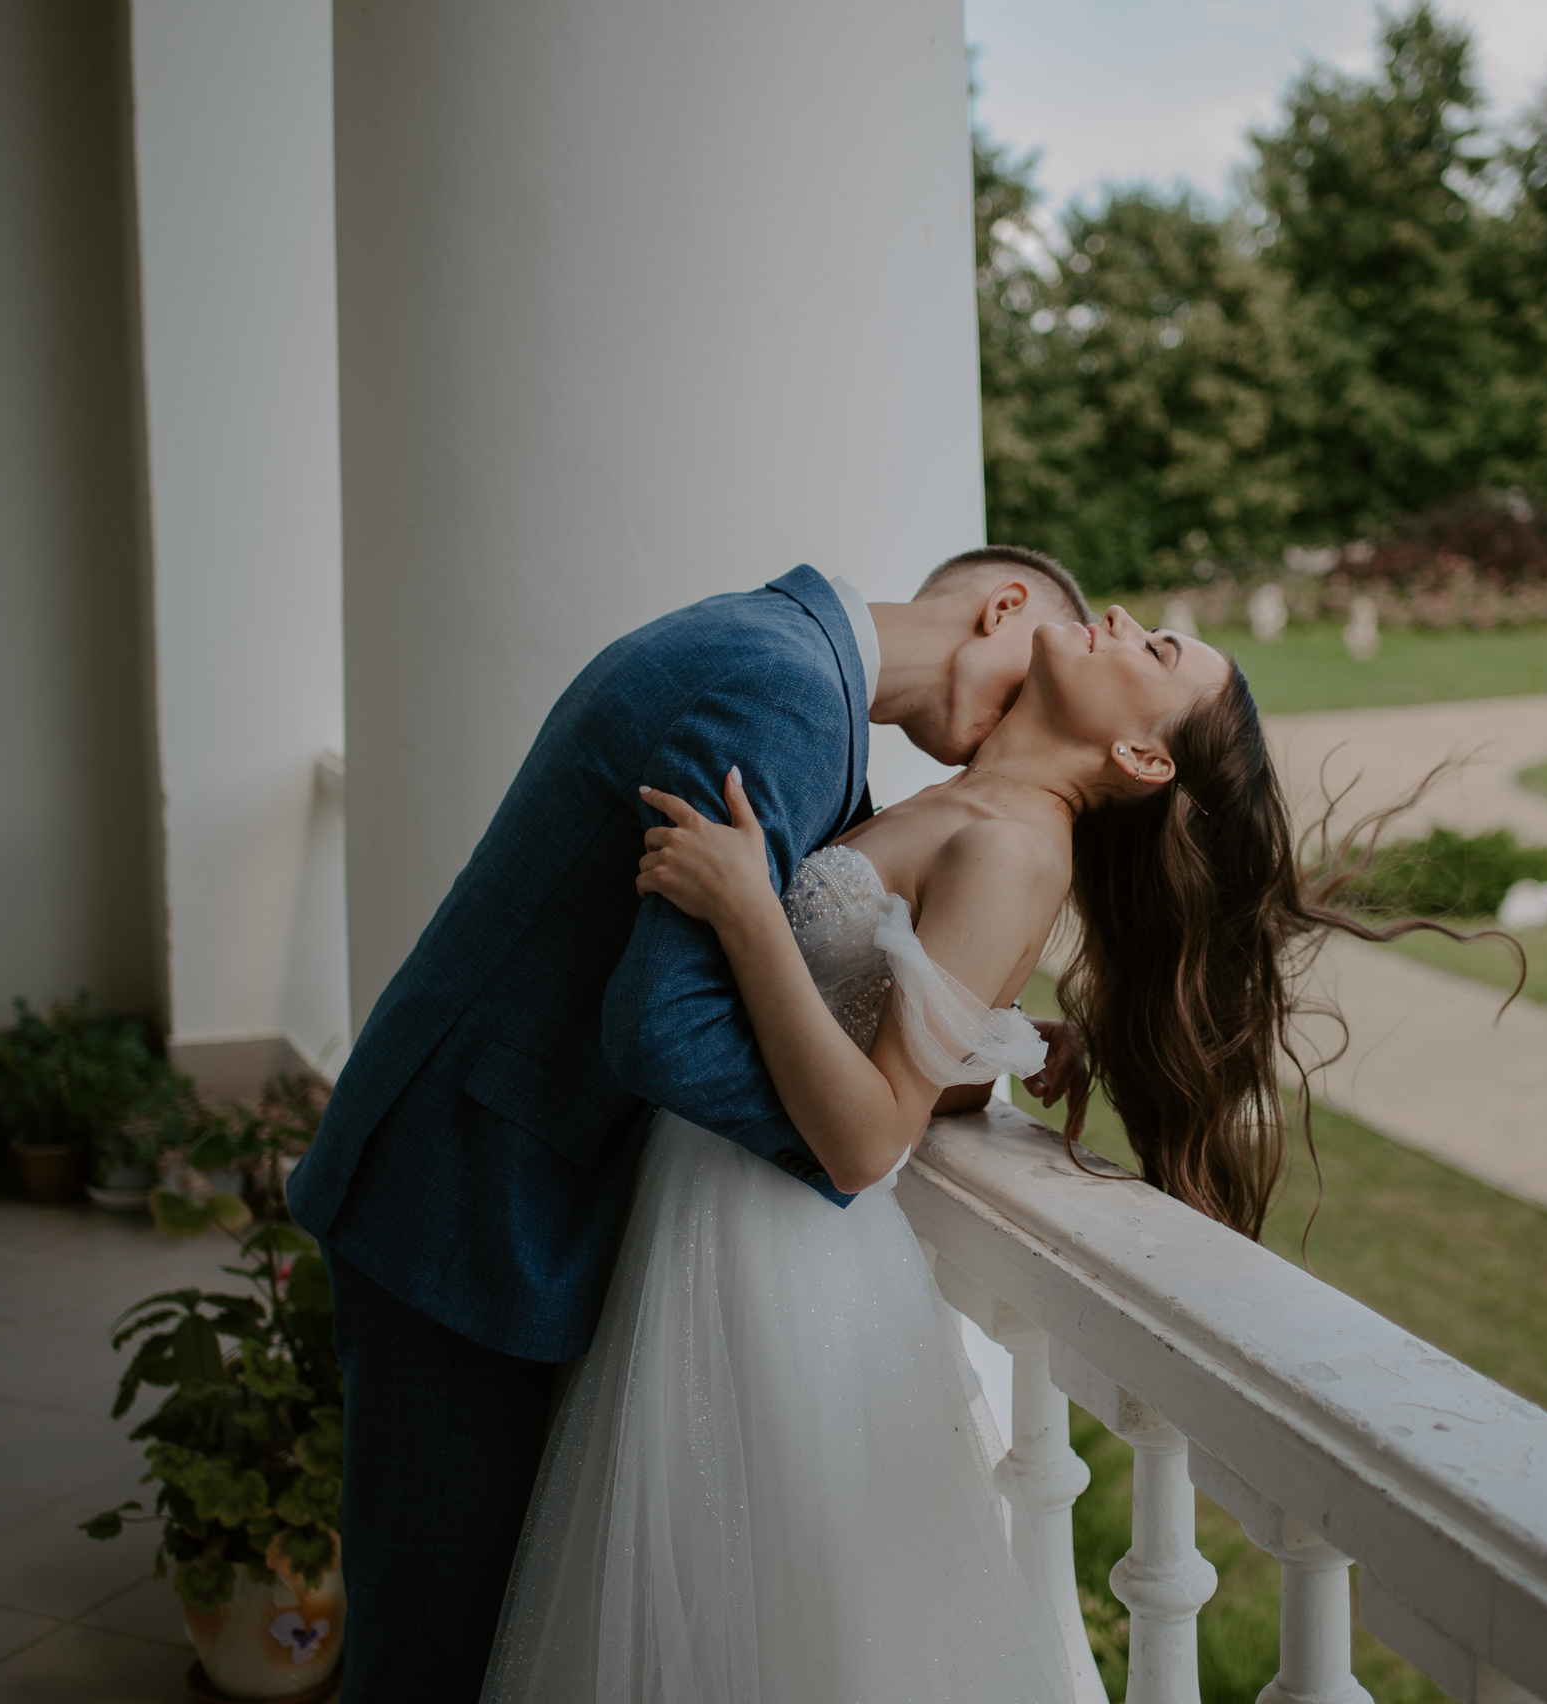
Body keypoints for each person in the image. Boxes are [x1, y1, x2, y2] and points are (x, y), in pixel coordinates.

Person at [483, 602, 1403, 1700]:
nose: (1118, 616)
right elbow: (906, 1051)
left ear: (1142, 755)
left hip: (771, 1250)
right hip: (701, 1214)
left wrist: (748, 913)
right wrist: (999, 1043)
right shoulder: (979, 807)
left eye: (1156, 650)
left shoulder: (1015, 846)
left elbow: (867, 1142)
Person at [284, 549, 1096, 1703]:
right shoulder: (782, 688)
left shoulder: (783, 665)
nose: (995, 739)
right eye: (1024, 690)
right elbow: (667, 1024)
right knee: (430, 1658)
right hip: (468, 1203)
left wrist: (978, 1038)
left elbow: (812, 979)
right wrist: (846, 1139)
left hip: (492, 1182)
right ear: (1001, 608)